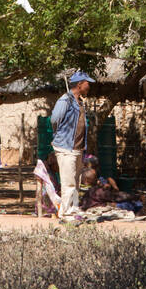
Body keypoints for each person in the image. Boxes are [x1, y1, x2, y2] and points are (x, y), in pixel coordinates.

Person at [50, 70, 93, 219]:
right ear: (80, 84)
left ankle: (74, 208)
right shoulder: (65, 100)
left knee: (76, 180)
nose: (89, 87)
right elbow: (54, 119)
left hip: (77, 148)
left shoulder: (78, 101)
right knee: (68, 181)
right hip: (66, 147)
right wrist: (60, 135)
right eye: (88, 84)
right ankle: (65, 212)